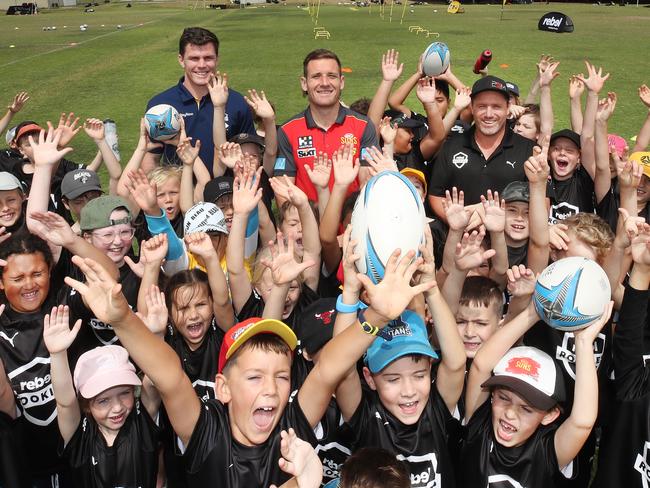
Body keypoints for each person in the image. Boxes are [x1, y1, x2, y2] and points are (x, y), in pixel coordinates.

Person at [64, 240, 434, 487]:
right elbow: (169, 376)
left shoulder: (292, 428)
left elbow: (329, 369)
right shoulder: (206, 432)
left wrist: (377, 317)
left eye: (282, 377)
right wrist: (123, 320)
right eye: (255, 377)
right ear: (222, 387)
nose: (271, 389)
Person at [459, 298, 613, 488]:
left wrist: (583, 343)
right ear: (492, 395)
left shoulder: (547, 451)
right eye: (504, 398)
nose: (509, 413)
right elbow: (481, 365)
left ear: (549, 415)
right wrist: (531, 313)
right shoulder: (479, 427)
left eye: (526, 409)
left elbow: (582, 422)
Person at [43, 305, 161, 488]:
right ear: (86, 405)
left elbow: (157, 377)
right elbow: (65, 403)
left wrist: (156, 337)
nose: (117, 407)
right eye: (103, 400)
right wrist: (57, 354)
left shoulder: (142, 421)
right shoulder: (79, 436)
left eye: (124, 393)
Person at [144, 27, 255, 175]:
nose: (202, 65)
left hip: (225, 195)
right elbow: (151, 157)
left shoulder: (236, 102)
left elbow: (250, 156)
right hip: (179, 195)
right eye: (194, 58)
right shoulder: (160, 105)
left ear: (217, 59)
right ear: (181, 60)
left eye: (208, 58)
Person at [273, 49, 378, 202]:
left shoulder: (363, 126)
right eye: (316, 76)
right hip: (309, 224)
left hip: (352, 224)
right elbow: (284, 192)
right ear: (304, 83)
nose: (324, 83)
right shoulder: (288, 131)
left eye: (331, 76)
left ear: (341, 82)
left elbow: (368, 181)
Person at [427, 75, 536, 222]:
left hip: (507, 240)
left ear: (508, 108)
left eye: (496, 107)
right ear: (471, 107)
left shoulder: (528, 150)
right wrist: (458, 222)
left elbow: (541, 202)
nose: (489, 114)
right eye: (482, 106)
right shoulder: (451, 146)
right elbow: (436, 195)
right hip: (458, 237)